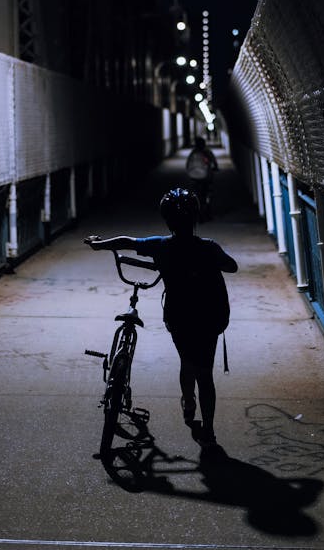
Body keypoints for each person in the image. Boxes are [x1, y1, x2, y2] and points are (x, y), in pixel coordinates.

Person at [85, 187, 237, 449]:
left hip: (179, 318)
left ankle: (188, 401)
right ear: (195, 218)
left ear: (167, 220)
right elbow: (231, 266)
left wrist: (99, 244)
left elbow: (127, 242)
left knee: (187, 361)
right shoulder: (208, 248)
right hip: (209, 318)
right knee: (205, 372)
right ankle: (208, 430)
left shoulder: (161, 246)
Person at [185, 136, 218, 219]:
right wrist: (215, 167)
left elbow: (188, 164)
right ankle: (208, 206)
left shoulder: (193, 152)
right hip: (205, 177)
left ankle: (193, 209)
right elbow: (214, 162)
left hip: (194, 176)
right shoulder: (207, 152)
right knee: (208, 191)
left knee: (193, 193)